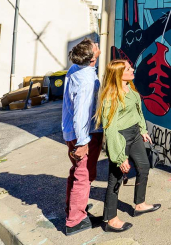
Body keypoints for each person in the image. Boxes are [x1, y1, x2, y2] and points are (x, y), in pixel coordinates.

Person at [97, 59, 161, 232]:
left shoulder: (130, 88)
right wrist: (120, 157)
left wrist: (143, 130)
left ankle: (140, 204)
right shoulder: (111, 97)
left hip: (135, 134)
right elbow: (110, 129)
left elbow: (138, 112)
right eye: (128, 68)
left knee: (144, 166)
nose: (132, 69)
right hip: (120, 138)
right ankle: (111, 220)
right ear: (119, 74)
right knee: (115, 179)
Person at [61, 38, 102, 236]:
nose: (98, 45)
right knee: (83, 175)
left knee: (77, 171)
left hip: (71, 131)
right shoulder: (86, 80)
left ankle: (74, 207)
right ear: (92, 58)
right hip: (85, 134)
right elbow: (81, 113)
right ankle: (75, 220)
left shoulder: (75, 69)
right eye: (95, 46)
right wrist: (83, 142)